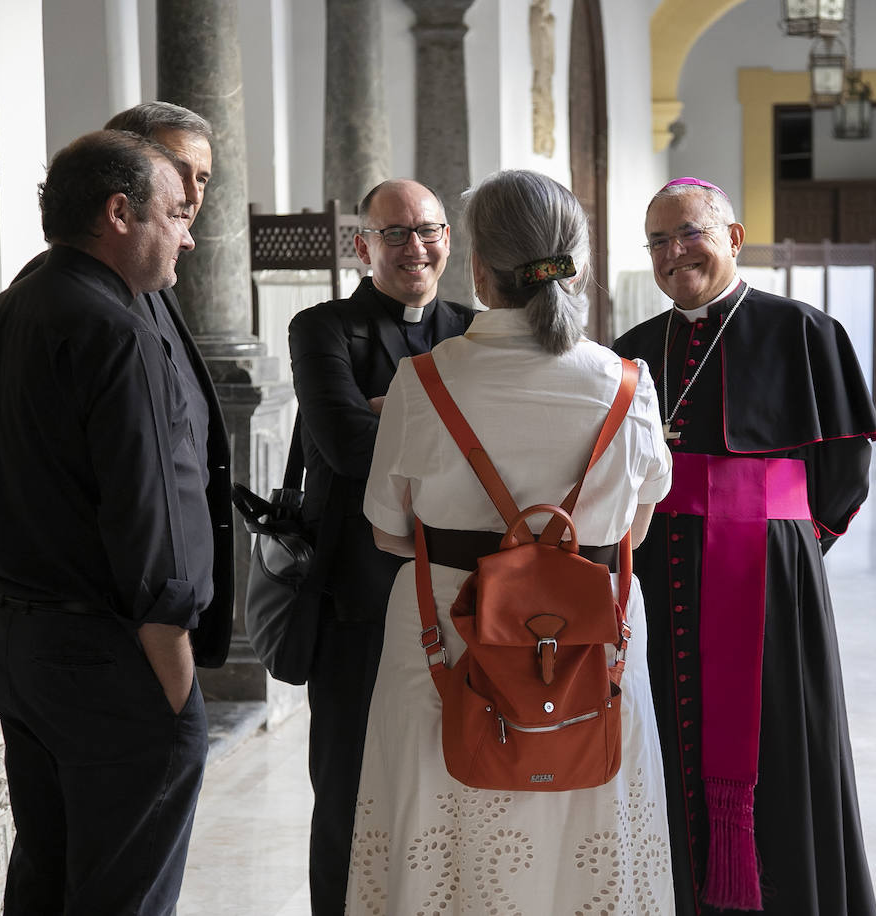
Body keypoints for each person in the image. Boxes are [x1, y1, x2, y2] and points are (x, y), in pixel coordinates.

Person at [347, 169, 674, 913]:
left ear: (478, 269)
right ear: (577, 264)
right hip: (591, 639)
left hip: (445, 635)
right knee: (589, 819)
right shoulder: (628, 384)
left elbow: (388, 532)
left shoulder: (423, 381)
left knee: (439, 817)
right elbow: (636, 525)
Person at [0, 130, 209, 914]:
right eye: (175, 212)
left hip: (14, 640)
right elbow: (147, 520)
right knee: (121, 893)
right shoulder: (120, 331)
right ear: (119, 213)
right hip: (109, 659)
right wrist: (174, 671)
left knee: (47, 875)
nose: (189, 234)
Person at [613, 176, 876, 915]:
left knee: (782, 747)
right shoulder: (633, 353)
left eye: (689, 233)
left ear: (731, 237)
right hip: (662, 579)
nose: (674, 253)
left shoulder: (805, 332)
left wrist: (782, 549)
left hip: (770, 586)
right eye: (659, 242)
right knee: (669, 742)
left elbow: (841, 476)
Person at [288, 178, 474, 914]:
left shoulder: (473, 327)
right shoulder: (323, 329)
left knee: (449, 776)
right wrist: (445, 425)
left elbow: (473, 443)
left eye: (427, 230)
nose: (413, 247)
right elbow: (342, 445)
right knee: (347, 788)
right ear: (362, 245)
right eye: (392, 233)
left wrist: (390, 412)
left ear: (449, 241)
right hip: (356, 603)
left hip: (463, 596)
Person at [12, 101, 233, 669]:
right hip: (117, 634)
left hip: (85, 630)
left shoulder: (149, 282)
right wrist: (170, 655)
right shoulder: (103, 318)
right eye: (173, 167)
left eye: (201, 177)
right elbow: (140, 500)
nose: (190, 191)